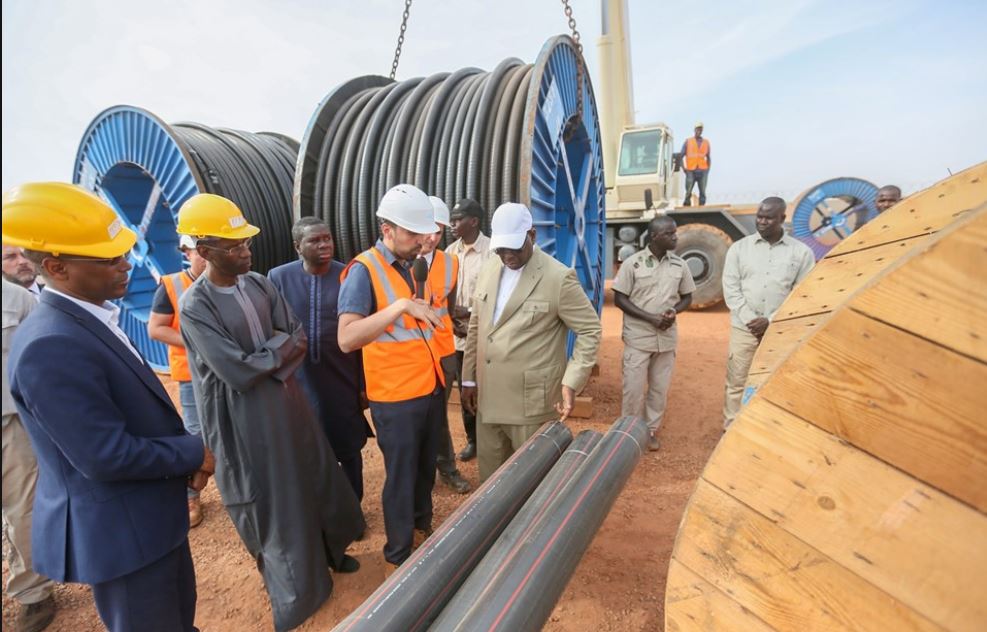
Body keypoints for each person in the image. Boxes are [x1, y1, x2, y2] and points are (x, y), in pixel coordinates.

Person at [4, 182, 212, 632]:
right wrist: (193, 452)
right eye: (109, 259)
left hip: (148, 520)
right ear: (57, 267)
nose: (126, 266)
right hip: (123, 535)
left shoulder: (89, 315)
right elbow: (105, 454)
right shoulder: (52, 344)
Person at [176, 194, 364, 631]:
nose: (245, 251)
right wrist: (274, 355)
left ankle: (332, 552)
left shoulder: (259, 282)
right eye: (234, 245)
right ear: (204, 252)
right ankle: (299, 591)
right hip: (244, 421)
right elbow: (236, 371)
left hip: (289, 403)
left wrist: (268, 356)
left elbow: (295, 335)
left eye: (246, 243)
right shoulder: (195, 305)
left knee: (314, 477)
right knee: (274, 500)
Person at [337, 184, 447, 573]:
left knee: (422, 470)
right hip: (396, 398)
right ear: (387, 230)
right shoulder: (363, 271)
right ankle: (399, 555)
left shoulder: (408, 265)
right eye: (414, 234)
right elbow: (347, 338)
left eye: (424, 233)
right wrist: (401, 306)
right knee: (401, 476)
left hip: (428, 386)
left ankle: (422, 527)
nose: (422, 241)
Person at [462, 203, 602, 482]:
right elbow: (477, 326)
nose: (508, 255)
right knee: (491, 480)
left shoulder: (558, 278)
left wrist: (571, 381)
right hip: (489, 399)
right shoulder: (491, 269)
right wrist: (468, 380)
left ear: (533, 236)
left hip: (531, 403)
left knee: (532, 480)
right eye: (502, 249)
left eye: (514, 247)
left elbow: (589, 330)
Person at [268, 217, 373, 501]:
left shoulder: (349, 276)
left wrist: (364, 385)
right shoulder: (278, 278)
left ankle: (354, 507)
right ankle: (319, 510)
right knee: (306, 445)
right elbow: (271, 328)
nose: (324, 244)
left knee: (348, 447)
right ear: (297, 246)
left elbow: (363, 336)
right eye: (315, 240)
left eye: (327, 238)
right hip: (298, 379)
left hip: (342, 377)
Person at [721, 196, 815, 428]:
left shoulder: (801, 253)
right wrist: (752, 321)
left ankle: (764, 427)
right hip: (744, 329)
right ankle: (732, 428)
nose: (762, 222)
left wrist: (771, 321)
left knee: (774, 380)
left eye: (769, 218)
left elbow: (802, 295)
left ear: (782, 219)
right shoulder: (738, 249)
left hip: (781, 330)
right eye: (759, 216)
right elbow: (731, 289)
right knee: (737, 380)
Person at [612, 216, 695, 452]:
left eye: (674, 233)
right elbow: (619, 298)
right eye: (670, 234)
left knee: (659, 390)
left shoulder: (680, 265)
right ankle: (627, 435)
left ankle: (649, 432)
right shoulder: (633, 264)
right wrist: (650, 318)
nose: (675, 237)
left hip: (666, 339)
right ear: (655, 237)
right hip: (638, 338)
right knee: (633, 390)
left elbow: (687, 297)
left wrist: (673, 312)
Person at [3, 278, 56, 632]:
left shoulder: (14, 298)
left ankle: (34, 592)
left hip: (8, 421)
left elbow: (45, 351)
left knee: (22, 508)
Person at [147, 235, 209, 527]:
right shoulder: (171, 285)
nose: (206, 258)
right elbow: (156, 329)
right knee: (195, 436)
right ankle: (189, 495)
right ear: (186, 253)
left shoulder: (230, 280)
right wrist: (198, 343)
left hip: (230, 374)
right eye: (200, 252)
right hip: (192, 376)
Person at [421, 196, 471, 494]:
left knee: (438, 415)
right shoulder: (399, 261)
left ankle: (447, 469)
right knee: (414, 417)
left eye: (438, 232)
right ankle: (419, 473)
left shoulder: (449, 262)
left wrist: (456, 325)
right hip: (409, 355)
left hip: (442, 351)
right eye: (427, 230)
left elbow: (448, 307)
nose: (431, 238)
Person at [446, 198, 492, 461]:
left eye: (458, 219)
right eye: (451, 220)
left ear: (473, 221)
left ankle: (490, 439)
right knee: (465, 390)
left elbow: (497, 295)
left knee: (488, 389)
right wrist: (453, 322)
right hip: (456, 339)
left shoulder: (492, 252)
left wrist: (471, 315)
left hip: (484, 336)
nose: (452, 224)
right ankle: (473, 441)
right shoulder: (450, 252)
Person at [681, 122, 710, 206]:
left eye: (700, 129)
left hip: (702, 170)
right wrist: (683, 168)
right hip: (690, 170)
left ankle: (702, 205)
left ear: (702, 130)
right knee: (688, 191)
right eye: (697, 129)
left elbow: (708, 157)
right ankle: (687, 203)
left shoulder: (706, 142)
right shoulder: (688, 141)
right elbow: (680, 156)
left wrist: (707, 169)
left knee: (702, 192)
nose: (699, 131)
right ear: (694, 130)